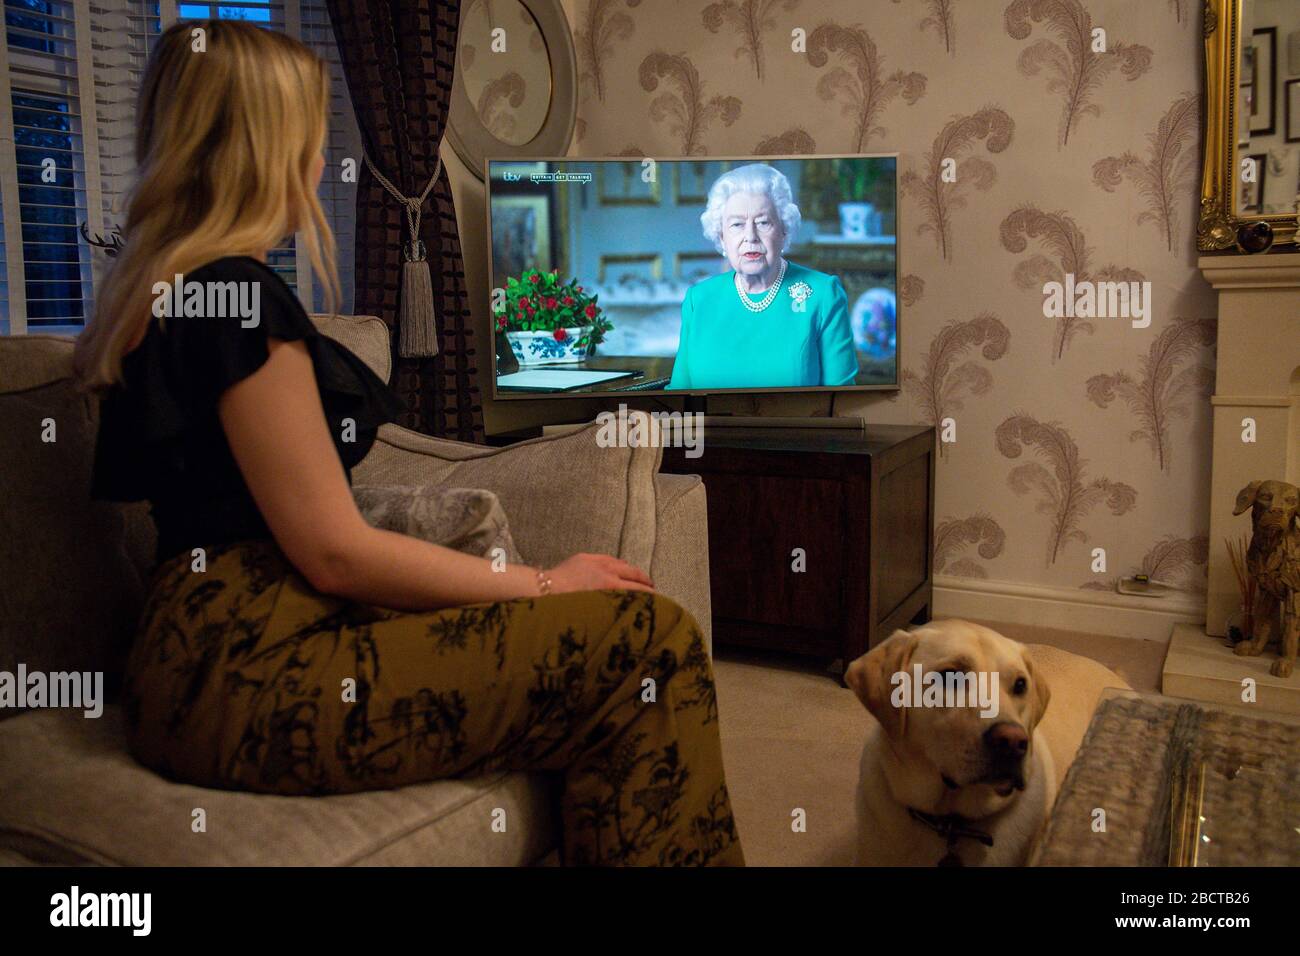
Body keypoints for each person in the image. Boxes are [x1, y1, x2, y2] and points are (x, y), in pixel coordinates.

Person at [73, 20, 742, 867]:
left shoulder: (165, 295)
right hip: (251, 673)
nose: (320, 166)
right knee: (649, 640)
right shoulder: (235, 300)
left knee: (625, 648)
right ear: (265, 150)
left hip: (200, 661)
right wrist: (541, 585)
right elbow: (336, 555)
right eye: (310, 141)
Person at [669, 163, 858, 390]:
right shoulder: (698, 299)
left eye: (763, 222)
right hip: (713, 426)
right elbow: (680, 396)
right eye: (737, 224)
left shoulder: (823, 294)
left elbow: (842, 401)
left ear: (784, 229)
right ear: (721, 237)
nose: (750, 236)